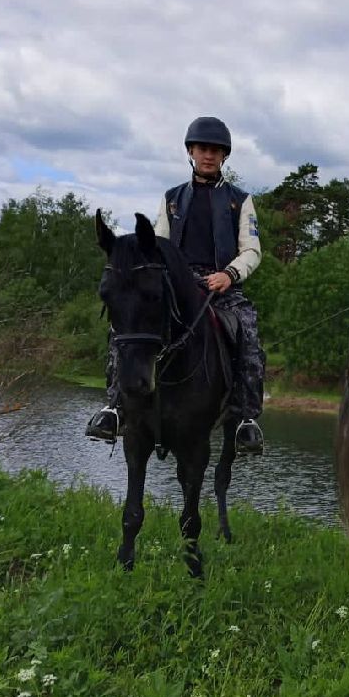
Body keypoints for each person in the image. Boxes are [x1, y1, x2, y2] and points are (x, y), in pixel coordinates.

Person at [86, 116, 266, 455]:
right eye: (202, 149)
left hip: (221, 285)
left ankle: (245, 418)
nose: (208, 155)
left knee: (248, 332)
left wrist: (229, 274)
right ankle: (115, 406)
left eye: (215, 150)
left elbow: (252, 249)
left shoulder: (240, 201)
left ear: (224, 156)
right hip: (178, 284)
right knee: (124, 328)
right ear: (191, 151)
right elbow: (158, 244)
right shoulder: (171, 199)